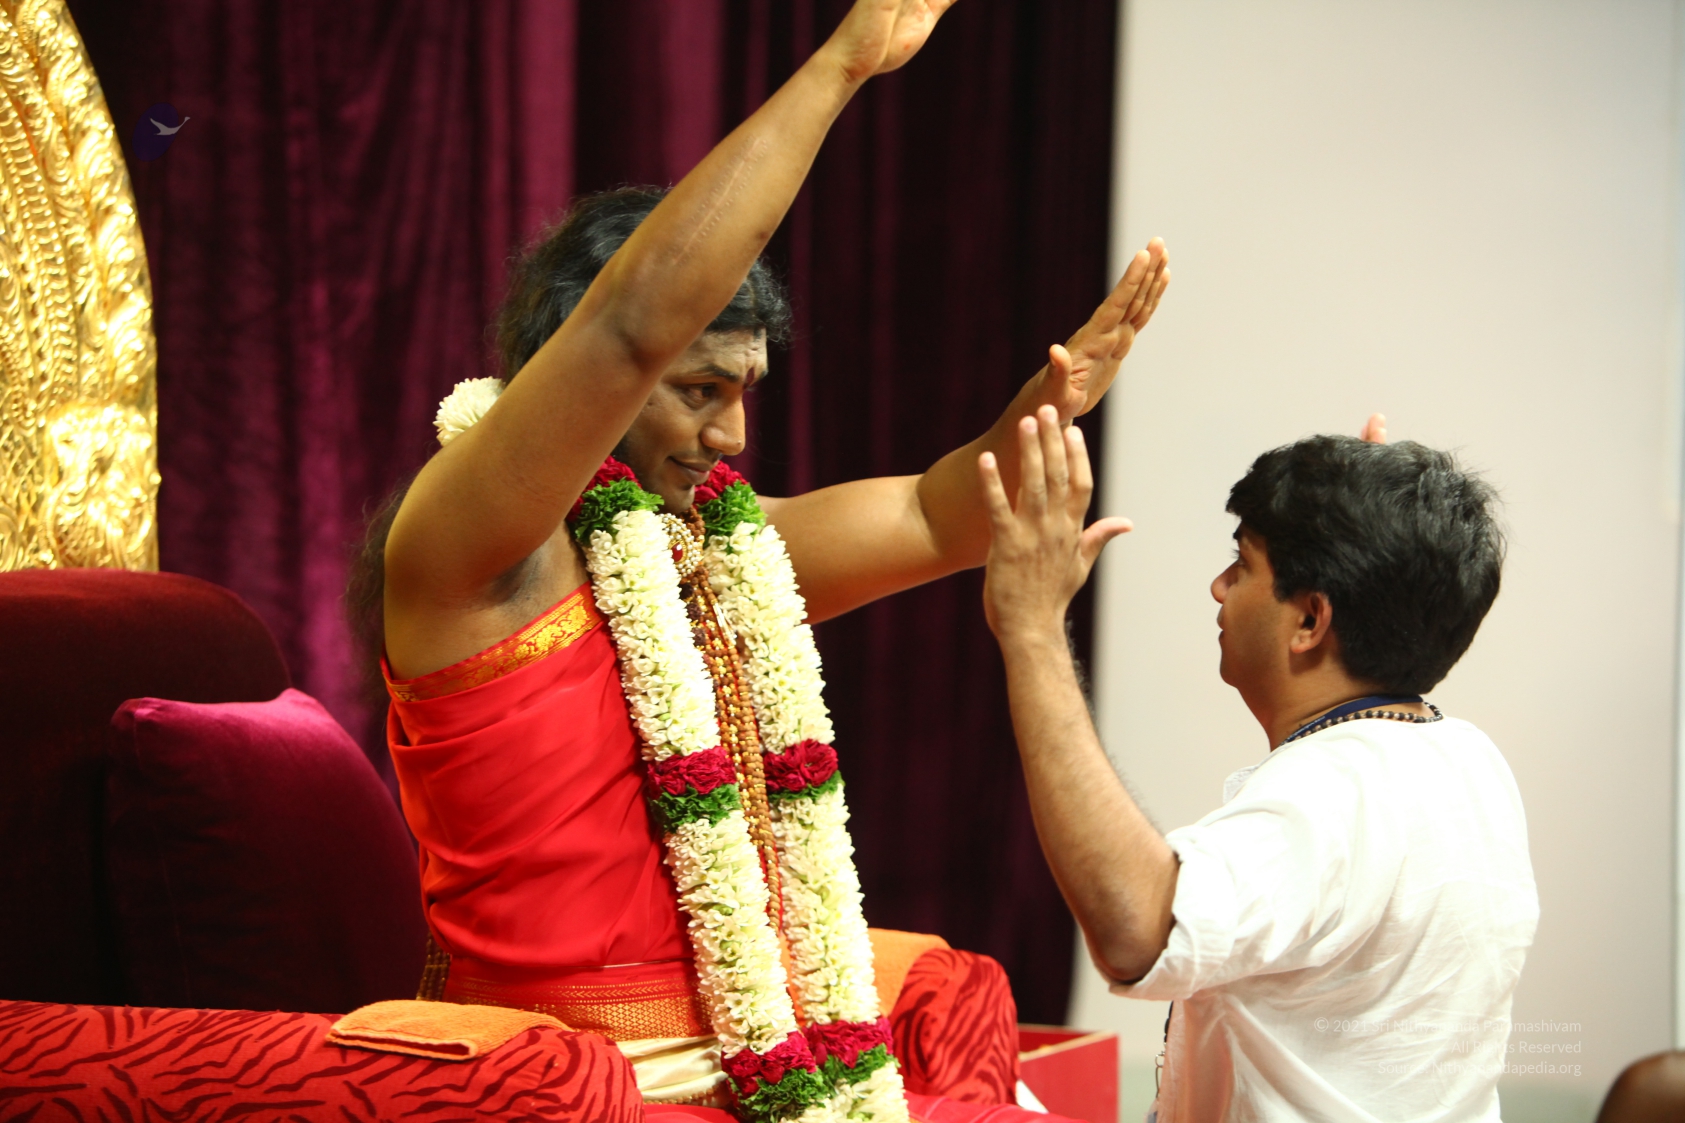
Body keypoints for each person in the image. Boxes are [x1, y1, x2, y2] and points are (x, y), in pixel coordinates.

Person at [350, 1, 1170, 1119]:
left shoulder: (709, 557)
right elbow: (629, 326)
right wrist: (840, 67)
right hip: (559, 1080)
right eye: (698, 389)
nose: (732, 436)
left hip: (748, 1060)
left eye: (743, 392)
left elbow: (938, 517)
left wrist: (1051, 404)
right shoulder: (469, 550)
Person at [976, 409, 1538, 1121]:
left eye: (1242, 565)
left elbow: (1139, 930)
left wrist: (1031, 629)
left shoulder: (1332, 791)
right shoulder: (1469, 759)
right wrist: (1372, 527)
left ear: (1309, 621)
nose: (1219, 586)